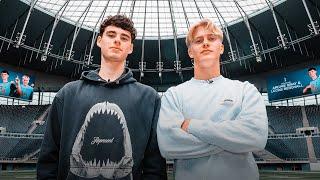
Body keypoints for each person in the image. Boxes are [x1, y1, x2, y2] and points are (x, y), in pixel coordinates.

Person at [37, 15, 167, 180]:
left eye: (124, 37)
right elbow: (48, 159)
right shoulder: (67, 94)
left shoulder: (149, 98)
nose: (117, 40)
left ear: (131, 48)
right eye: (111, 35)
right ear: (99, 41)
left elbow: (155, 166)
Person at [157, 19, 268, 180]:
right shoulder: (173, 95)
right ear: (190, 52)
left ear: (221, 48)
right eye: (198, 40)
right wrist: (233, 141)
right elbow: (168, 145)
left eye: (211, 38)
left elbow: (256, 137)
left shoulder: (246, 90)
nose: (205, 43)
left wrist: (193, 125)